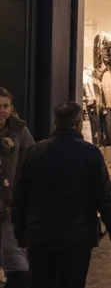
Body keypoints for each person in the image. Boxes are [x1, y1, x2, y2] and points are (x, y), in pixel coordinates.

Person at [12, 101, 111, 287]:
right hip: (77, 236)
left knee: (41, 281)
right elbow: (104, 196)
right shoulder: (90, 153)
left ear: (55, 122)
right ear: (79, 123)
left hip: (40, 234)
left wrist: (21, 232)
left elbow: (19, 196)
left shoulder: (34, 152)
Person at [0, 89, 32, 287]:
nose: (2, 111)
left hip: (10, 203)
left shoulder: (20, 131)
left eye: (5, 106)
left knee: (14, 257)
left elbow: (30, 161)